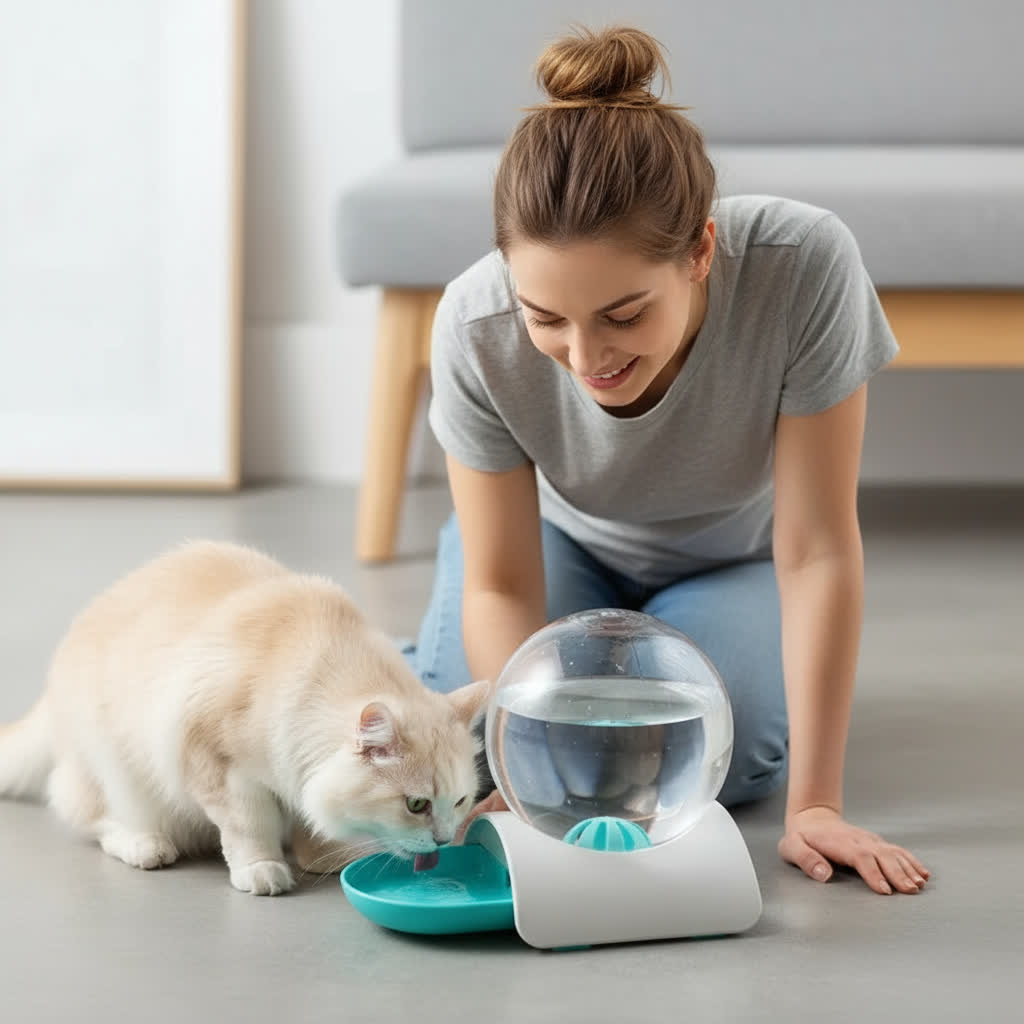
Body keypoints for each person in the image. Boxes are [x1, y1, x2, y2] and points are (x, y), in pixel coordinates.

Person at [403, 25, 929, 895]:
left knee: (739, 755)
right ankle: (431, 661)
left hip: (732, 557)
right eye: (546, 317)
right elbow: (501, 585)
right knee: (489, 739)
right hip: (552, 548)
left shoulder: (804, 267)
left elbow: (817, 549)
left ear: (700, 252)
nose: (583, 356)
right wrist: (509, 778)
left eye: (623, 313)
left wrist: (817, 807)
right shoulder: (473, 325)